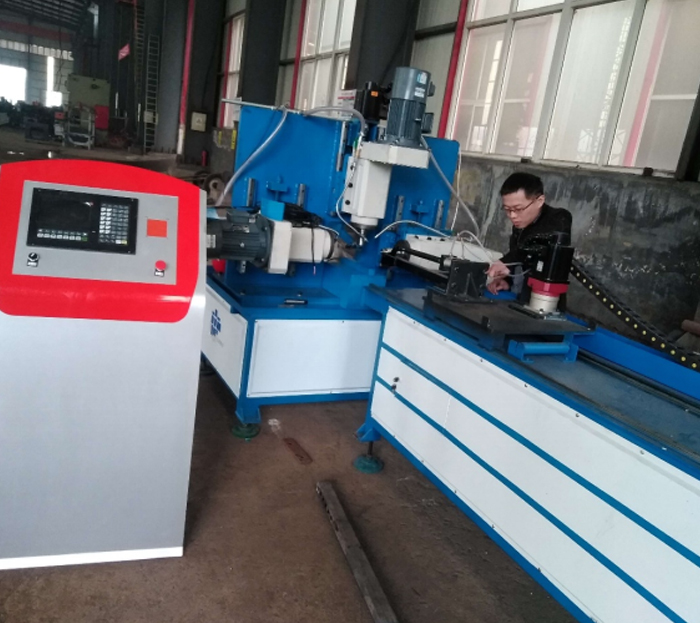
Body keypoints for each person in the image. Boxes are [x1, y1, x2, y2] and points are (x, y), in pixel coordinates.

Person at [486, 172, 572, 295]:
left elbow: (536, 243)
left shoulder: (559, 218)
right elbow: (521, 260)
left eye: (518, 209)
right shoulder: (521, 225)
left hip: (544, 299)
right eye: (507, 209)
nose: (512, 215)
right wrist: (507, 280)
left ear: (539, 201)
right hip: (519, 297)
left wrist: (506, 261)